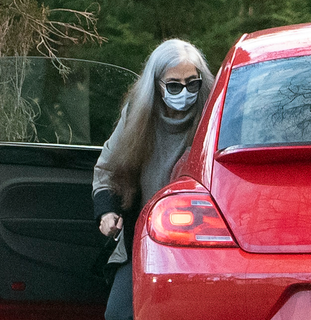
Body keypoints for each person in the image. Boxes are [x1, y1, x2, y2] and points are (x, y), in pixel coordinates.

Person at [93, 39, 214, 320]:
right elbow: (109, 168)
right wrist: (107, 211)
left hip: (200, 240)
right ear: (156, 85)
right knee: (119, 313)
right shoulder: (138, 114)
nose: (184, 92)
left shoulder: (212, 114)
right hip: (146, 239)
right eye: (174, 85)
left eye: (192, 83)